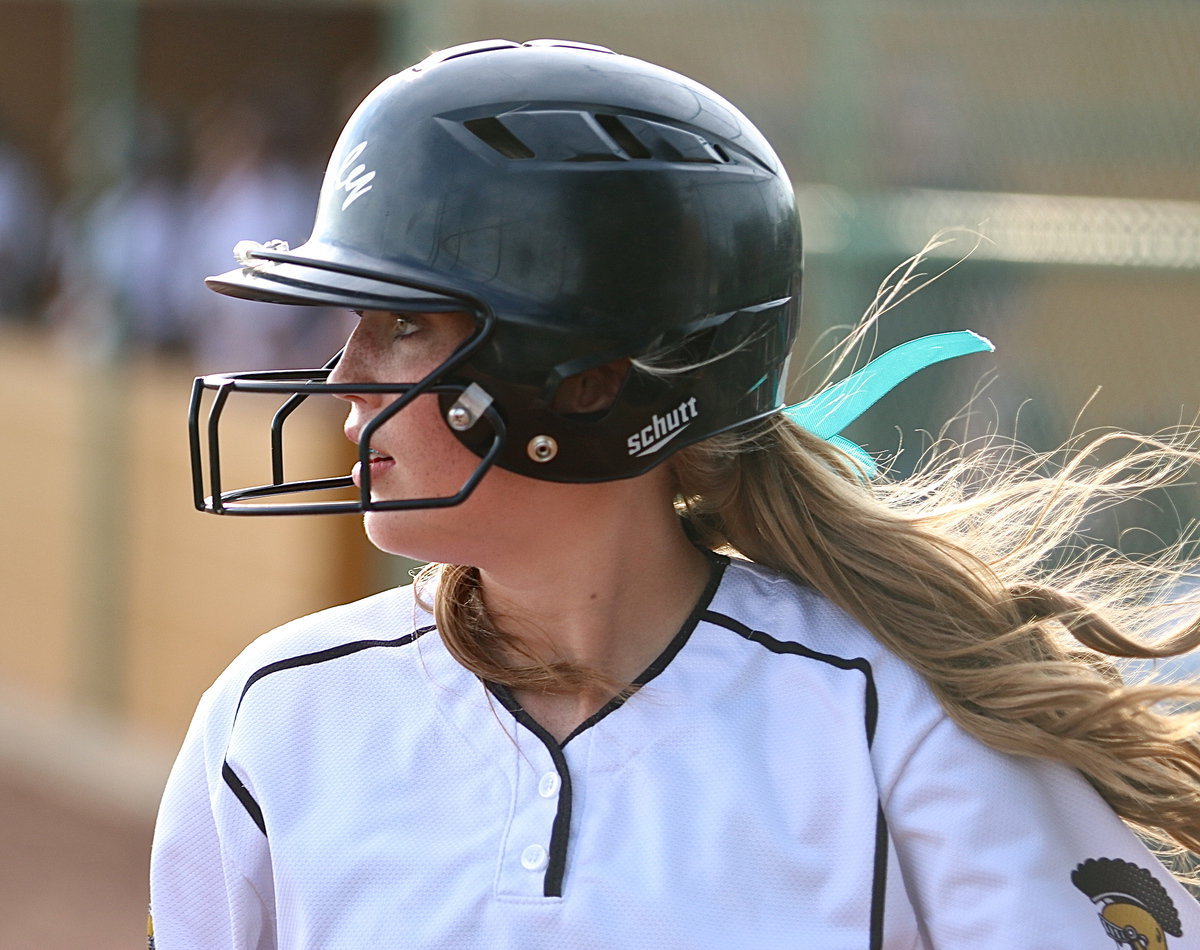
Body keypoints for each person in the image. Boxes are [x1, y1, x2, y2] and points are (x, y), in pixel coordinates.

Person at [150, 39, 1200, 949]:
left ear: (591, 374)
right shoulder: (274, 721)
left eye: (404, 324)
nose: (343, 376)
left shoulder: (889, 724)